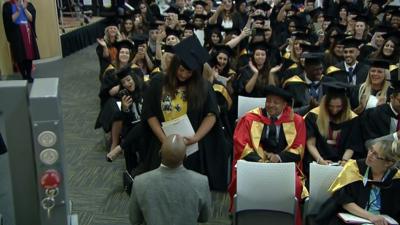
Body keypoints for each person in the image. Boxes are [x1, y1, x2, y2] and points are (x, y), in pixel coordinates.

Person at [139, 35, 229, 191]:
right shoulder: (158, 82)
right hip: (161, 143)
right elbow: (150, 113)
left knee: (188, 187)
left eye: (189, 73)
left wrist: (196, 138)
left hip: (191, 145)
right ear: (174, 66)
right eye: (181, 70)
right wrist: (164, 140)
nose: (184, 75)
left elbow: (211, 115)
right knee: (160, 187)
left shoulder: (203, 87)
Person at [228, 85, 307, 225]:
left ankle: (286, 218)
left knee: (295, 185)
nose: (271, 105)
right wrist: (261, 162)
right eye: (268, 101)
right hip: (254, 164)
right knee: (240, 181)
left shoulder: (296, 121)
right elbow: (241, 145)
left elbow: (298, 148)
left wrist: (279, 158)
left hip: (283, 166)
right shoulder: (250, 118)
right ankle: (244, 218)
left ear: (285, 104)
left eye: (276, 102)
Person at [129, 134, 211, 225]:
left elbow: (134, 219)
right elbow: (204, 218)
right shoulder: (201, 182)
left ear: (160, 153)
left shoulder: (140, 182)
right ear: (185, 157)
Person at [315, 138, 400, 225]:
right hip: (354, 218)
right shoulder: (355, 168)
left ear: (388, 163)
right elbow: (344, 200)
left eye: (375, 155)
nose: (370, 155)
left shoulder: (396, 178)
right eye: (371, 150)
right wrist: (371, 216)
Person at [304, 81, 360, 175]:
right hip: (318, 162)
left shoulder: (352, 118)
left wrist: (344, 161)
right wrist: (320, 160)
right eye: (331, 106)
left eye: (338, 107)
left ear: (344, 105)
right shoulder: (313, 116)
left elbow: (352, 145)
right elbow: (310, 144)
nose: (334, 110)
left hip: (342, 163)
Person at [2, 0, 40, 83]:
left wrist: (24, 9)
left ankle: (29, 75)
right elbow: (10, 20)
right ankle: (24, 75)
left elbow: (31, 18)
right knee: (19, 55)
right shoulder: (7, 5)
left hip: (27, 31)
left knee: (29, 54)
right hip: (16, 33)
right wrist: (19, 9)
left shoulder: (28, 4)